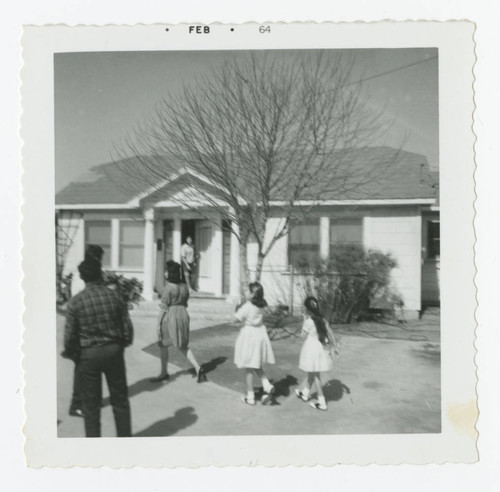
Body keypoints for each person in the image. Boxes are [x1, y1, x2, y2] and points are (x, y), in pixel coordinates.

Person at [63, 258, 134, 437]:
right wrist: (120, 345)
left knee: (91, 408)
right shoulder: (115, 296)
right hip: (113, 352)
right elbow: (127, 329)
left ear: (82, 277)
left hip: (88, 356)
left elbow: (70, 338)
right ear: (100, 274)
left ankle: (95, 451)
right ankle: (126, 444)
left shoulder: (75, 302)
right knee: (120, 401)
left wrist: (75, 355)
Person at [150, 261, 207, 383]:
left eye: (166, 270)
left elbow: (164, 307)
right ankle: (198, 368)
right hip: (183, 314)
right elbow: (185, 302)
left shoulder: (168, 288)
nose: (165, 272)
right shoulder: (184, 287)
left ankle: (164, 373)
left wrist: (158, 324)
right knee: (183, 344)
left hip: (171, 315)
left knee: (164, 344)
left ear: (170, 273)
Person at [68, 244, 105, 418]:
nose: (101, 262)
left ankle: (90, 400)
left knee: (92, 368)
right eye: (99, 258)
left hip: (91, 329)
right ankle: (76, 405)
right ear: (94, 257)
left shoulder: (91, 273)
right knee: (82, 370)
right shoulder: (82, 276)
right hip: (83, 330)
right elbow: (77, 302)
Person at [233, 282, 276, 405]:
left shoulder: (247, 306)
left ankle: (250, 397)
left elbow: (234, 319)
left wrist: (235, 306)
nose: (245, 292)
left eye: (247, 291)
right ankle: (266, 384)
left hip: (249, 336)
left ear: (252, 294)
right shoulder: (261, 305)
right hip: (260, 334)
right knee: (255, 363)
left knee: (248, 367)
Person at [295, 296, 340, 411]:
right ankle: (305, 394)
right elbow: (331, 333)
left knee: (315, 376)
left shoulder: (308, 321)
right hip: (320, 349)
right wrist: (335, 346)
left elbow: (302, 337)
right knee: (312, 372)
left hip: (311, 350)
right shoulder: (322, 320)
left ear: (307, 309)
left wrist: (303, 321)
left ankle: (322, 402)